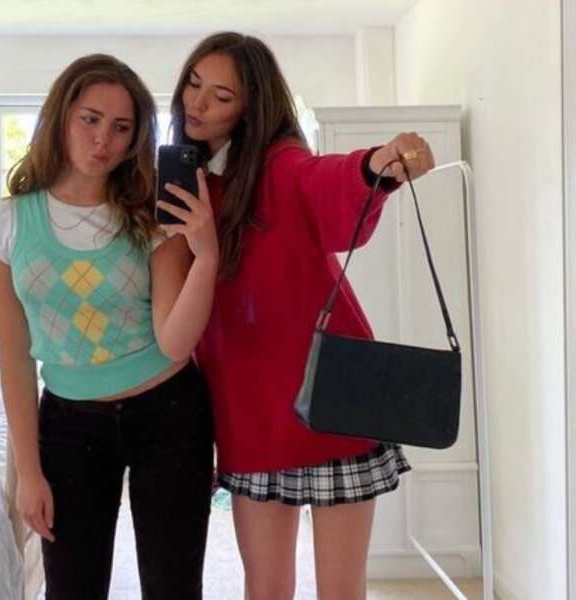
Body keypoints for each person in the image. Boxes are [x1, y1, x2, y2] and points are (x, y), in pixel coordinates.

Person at [169, 32, 436, 600]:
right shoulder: (187, 183)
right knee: (266, 588)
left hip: (333, 399)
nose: (198, 102)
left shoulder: (278, 165)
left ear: (250, 109)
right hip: (251, 413)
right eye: (194, 84)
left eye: (221, 96)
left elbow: (324, 179)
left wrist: (377, 165)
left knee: (340, 591)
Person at [0, 53, 218, 600]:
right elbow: (15, 356)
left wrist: (205, 255)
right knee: (71, 589)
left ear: (136, 138)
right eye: (90, 119)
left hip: (169, 414)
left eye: (121, 127)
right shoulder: (7, 223)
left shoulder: (152, 216)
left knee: (174, 589)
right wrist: (29, 472)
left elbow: (175, 341)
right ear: (61, 117)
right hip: (68, 424)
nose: (102, 140)